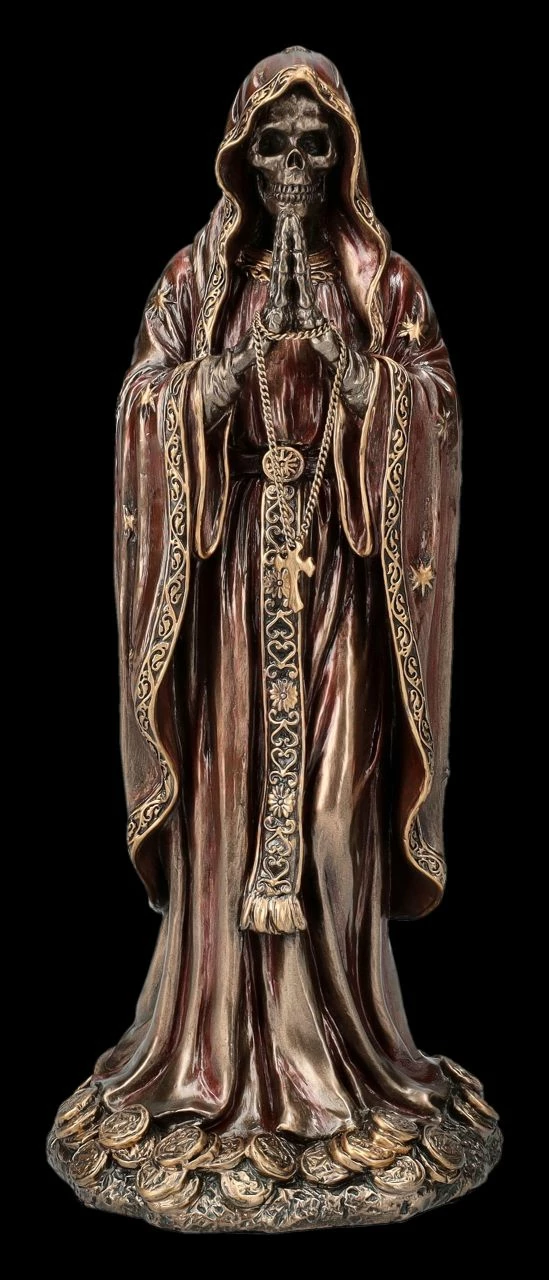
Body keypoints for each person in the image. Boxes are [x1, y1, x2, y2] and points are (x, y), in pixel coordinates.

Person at [50, 49, 501, 1230]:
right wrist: (215, 385)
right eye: (273, 145)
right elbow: (141, 403)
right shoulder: (195, 278)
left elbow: (435, 405)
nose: (293, 166)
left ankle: (346, 1053)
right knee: (231, 808)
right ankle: (215, 1054)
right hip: (232, 580)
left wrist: (361, 382)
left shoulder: (381, 280)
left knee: (336, 822)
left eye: (315, 143)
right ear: (240, 159)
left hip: (340, 575)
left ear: (343, 155)